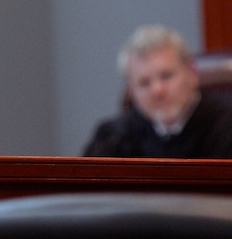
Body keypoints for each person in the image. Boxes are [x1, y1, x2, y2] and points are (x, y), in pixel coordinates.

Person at [83, 24, 232, 158]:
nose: (157, 91)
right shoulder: (112, 137)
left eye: (166, 76)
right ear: (131, 90)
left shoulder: (226, 124)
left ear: (192, 72)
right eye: (144, 83)